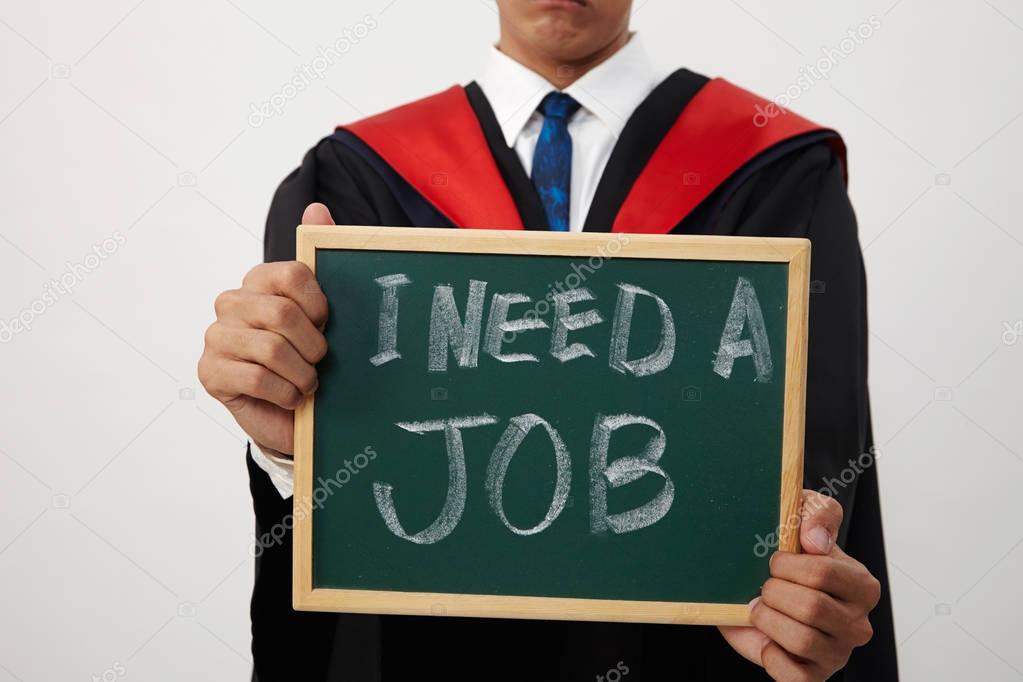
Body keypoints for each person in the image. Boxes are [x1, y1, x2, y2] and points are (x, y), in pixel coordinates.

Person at [198, 1, 897, 679]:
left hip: (696, 660)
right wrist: (289, 444)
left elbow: (816, 453)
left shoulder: (772, 169)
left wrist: (801, 594)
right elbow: (343, 482)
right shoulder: (359, 175)